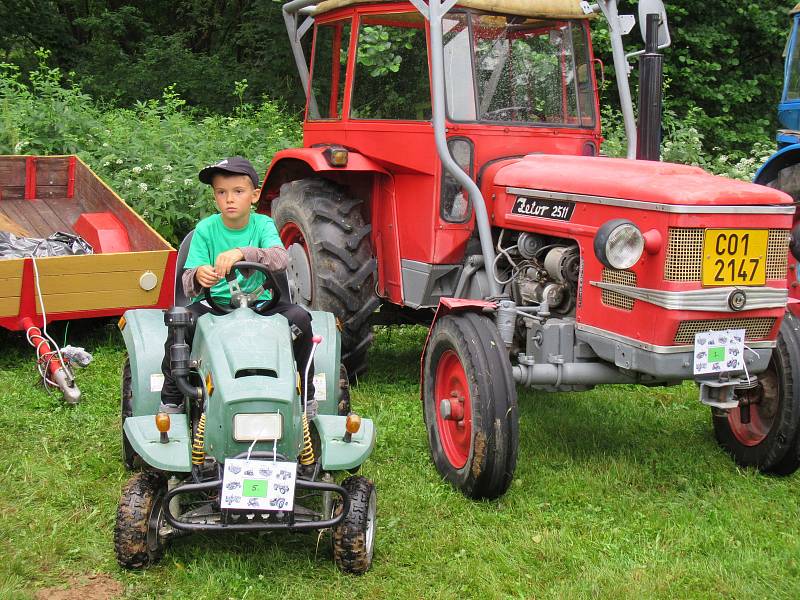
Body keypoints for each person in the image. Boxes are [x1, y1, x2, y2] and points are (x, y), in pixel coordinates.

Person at [160, 156, 315, 414]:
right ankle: (172, 397)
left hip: (261, 306)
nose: (229, 199)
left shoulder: (263, 225)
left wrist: (242, 253)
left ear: (254, 196)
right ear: (214, 198)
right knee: (181, 322)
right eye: (221, 192)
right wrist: (199, 275)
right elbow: (187, 280)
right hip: (216, 308)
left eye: (238, 192)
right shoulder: (205, 230)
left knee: (300, 318)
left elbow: (280, 258)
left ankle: (306, 396)